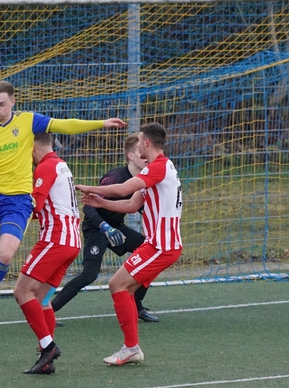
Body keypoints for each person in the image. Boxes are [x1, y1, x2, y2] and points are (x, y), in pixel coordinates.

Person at [0, 80, 125, 329]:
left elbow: (63, 125)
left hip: (19, 202)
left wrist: (100, 123)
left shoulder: (28, 121)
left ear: (13, 102)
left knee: (5, 254)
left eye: (1, 104)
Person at [75, 122, 182, 365]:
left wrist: (92, 189)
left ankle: (131, 348)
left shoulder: (158, 167)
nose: (137, 144)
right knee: (124, 289)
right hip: (157, 245)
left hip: (162, 247)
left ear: (147, 143)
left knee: (117, 285)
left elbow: (123, 188)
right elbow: (132, 204)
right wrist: (101, 203)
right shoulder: (158, 169)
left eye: (140, 140)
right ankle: (131, 347)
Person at [43, 134, 160, 324]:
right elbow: (89, 207)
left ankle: (137, 306)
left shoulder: (141, 180)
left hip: (117, 228)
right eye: (141, 153)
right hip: (96, 228)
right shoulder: (114, 178)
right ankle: (50, 311)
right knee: (89, 275)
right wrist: (105, 227)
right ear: (130, 156)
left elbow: (139, 207)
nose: (146, 157)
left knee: (151, 252)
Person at [13, 133, 80, 374]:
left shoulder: (45, 166)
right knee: (41, 298)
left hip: (56, 239)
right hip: (71, 241)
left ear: (32, 147)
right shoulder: (61, 165)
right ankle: (47, 361)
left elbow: (36, 206)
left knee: (21, 291)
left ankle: (48, 347)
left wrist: (7, 213)